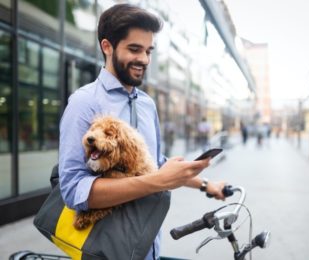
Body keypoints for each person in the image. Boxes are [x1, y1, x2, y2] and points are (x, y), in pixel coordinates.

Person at [58, 4, 225, 260]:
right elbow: (74, 191)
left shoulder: (147, 104)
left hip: (148, 245)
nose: (144, 60)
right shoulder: (84, 102)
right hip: (105, 250)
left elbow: (154, 166)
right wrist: (158, 181)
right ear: (107, 47)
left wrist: (205, 184)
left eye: (148, 51)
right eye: (134, 49)